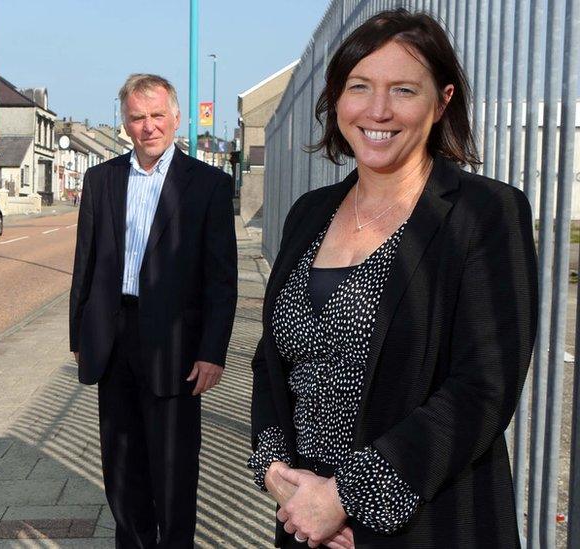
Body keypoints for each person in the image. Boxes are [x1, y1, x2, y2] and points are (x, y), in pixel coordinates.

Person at [247, 9, 538, 549]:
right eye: (359, 86)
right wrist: (275, 469)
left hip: (424, 524)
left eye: (404, 90)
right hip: (306, 523)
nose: (377, 110)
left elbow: (484, 387)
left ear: (442, 101)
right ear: (337, 99)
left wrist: (348, 498)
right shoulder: (309, 213)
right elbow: (272, 358)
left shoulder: (485, 213)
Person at [69, 74, 237, 547]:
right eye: (137, 117)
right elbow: (85, 265)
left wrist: (213, 351)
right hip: (113, 335)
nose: (148, 127)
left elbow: (221, 279)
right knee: (120, 466)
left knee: (172, 467)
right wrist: (80, 337)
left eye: (157, 115)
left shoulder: (208, 186)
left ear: (176, 118)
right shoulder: (100, 180)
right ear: (124, 122)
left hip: (176, 345)